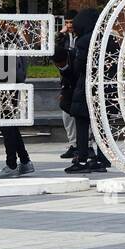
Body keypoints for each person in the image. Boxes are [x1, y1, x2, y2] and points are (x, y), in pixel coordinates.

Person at [64, 8, 109, 174]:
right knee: (102, 125)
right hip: (105, 88)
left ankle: (82, 159)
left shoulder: (84, 41)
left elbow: (79, 68)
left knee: (82, 124)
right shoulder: (108, 39)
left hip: (87, 88)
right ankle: (103, 158)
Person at [0, 34, 34, 178]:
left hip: (3, 87)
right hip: (11, 86)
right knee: (10, 125)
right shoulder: (13, 39)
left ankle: (12, 164)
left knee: (7, 126)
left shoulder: (1, 40)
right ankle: (25, 161)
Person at [53, 11, 77, 159]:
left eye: (71, 23)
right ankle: (73, 143)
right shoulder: (64, 38)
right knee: (67, 115)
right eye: (66, 23)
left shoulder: (81, 37)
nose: (68, 26)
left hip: (77, 78)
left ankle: (82, 144)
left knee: (78, 115)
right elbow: (54, 50)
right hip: (67, 80)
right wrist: (59, 35)